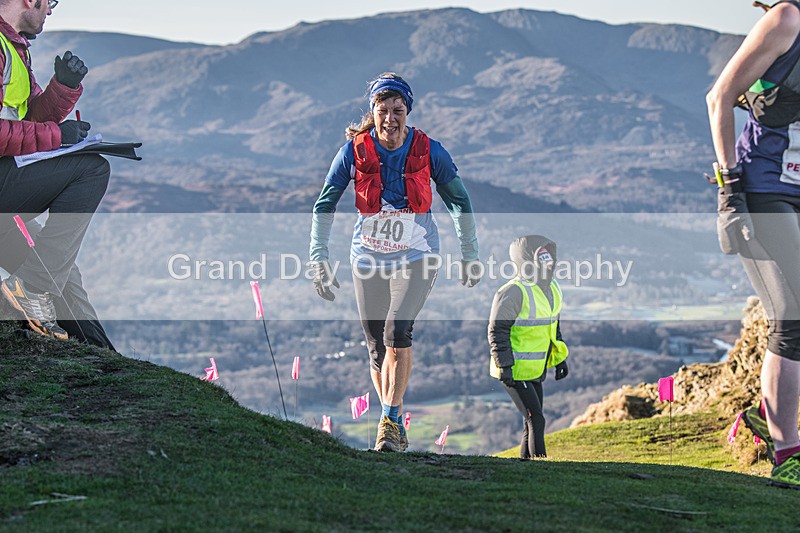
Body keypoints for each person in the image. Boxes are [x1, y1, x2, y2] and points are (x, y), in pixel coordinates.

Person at [309, 73, 481, 452]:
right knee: (375, 348)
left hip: (417, 255)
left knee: (396, 332)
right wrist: (318, 259)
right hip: (367, 258)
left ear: (408, 111)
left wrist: (470, 253)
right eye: (382, 110)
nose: (390, 118)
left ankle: (388, 421)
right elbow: (324, 206)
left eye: (397, 110)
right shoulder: (354, 152)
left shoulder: (429, 150)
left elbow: (459, 202)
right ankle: (395, 420)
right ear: (372, 112)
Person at [706, 0, 800, 488]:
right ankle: (788, 451)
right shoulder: (787, 20)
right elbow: (720, 96)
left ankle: (763, 421)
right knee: (793, 316)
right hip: (764, 188)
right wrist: (729, 191)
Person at [0, 0, 114, 350]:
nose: (50, 10)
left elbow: (30, 119)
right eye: (50, 2)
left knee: (59, 270)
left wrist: (62, 89)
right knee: (92, 169)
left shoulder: (13, 47)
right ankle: (29, 290)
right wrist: (56, 137)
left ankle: (102, 357)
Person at [487, 235, 568, 459]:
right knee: (536, 419)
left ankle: (527, 469)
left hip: (535, 369)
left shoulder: (553, 288)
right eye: (541, 256)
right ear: (527, 260)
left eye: (549, 255)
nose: (548, 260)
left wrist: (559, 359)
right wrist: (505, 367)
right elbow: (496, 331)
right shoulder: (513, 292)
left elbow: (552, 326)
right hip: (514, 370)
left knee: (530, 422)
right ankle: (541, 468)